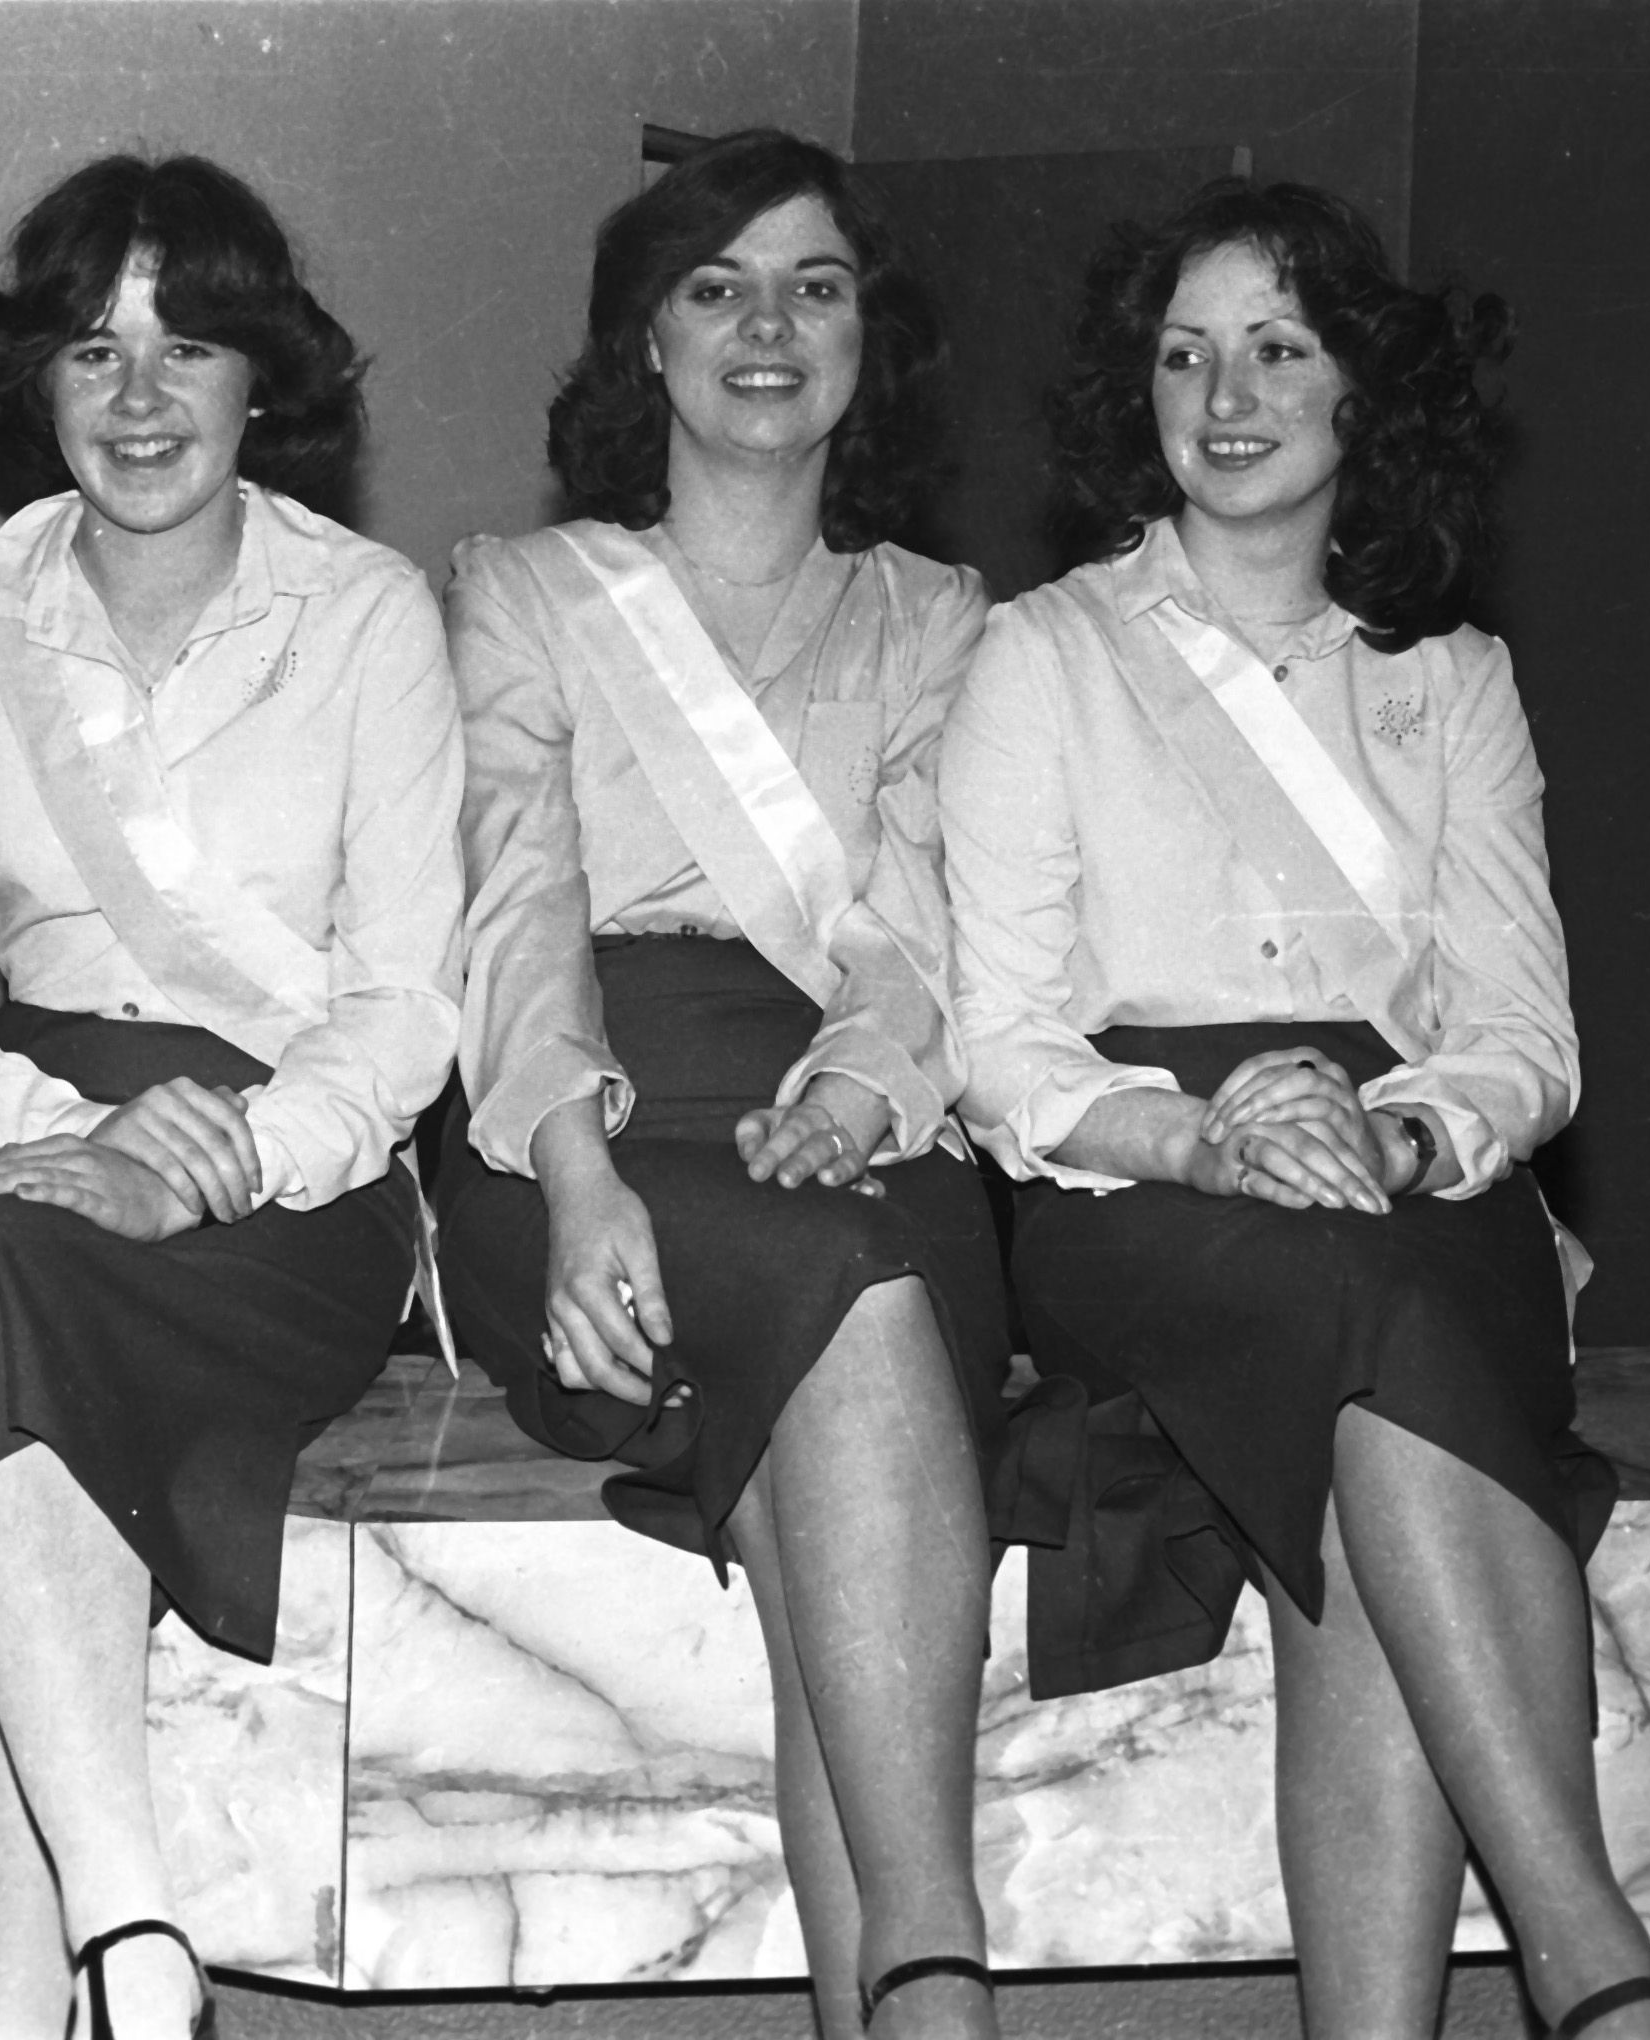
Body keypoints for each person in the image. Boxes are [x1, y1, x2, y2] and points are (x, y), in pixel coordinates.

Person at [940, 180, 1650, 2039]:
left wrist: (1408, 1136)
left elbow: (1525, 1031)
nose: (1229, 390)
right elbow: (1003, 1046)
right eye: (1188, 352)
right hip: (1139, 1176)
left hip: (1409, 1158)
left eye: (1279, 344)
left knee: (1380, 1361)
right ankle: (1590, 1959)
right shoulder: (1044, 655)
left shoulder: (1454, 677)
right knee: (1378, 1320)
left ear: (1366, 388)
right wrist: (1205, 1136)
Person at [0, 154, 462, 2040]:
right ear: (36, 382)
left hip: (300, 1179)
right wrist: (62, 1130)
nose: (138, 394)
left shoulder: (367, 620)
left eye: (189, 346)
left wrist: (218, 1162)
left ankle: (75, 1974)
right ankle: (121, 1950)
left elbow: (410, 1001)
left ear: (264, 381)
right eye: (94, 348)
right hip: (45, 1116)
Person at [434, 130, 1011, 2040]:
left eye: (817, 286)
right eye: (716, 286)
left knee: (846, 1303)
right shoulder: (521, 592)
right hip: (582, 1121)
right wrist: (578, 1173)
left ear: (869, 340)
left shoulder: (943, 618)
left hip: (861, 1114)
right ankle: (937, 1981)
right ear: (647, 349)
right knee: (840, 1318)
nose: (769, 327)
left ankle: (913, 1993)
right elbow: (517, 905)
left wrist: (853, 1094)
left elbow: (929, 918)